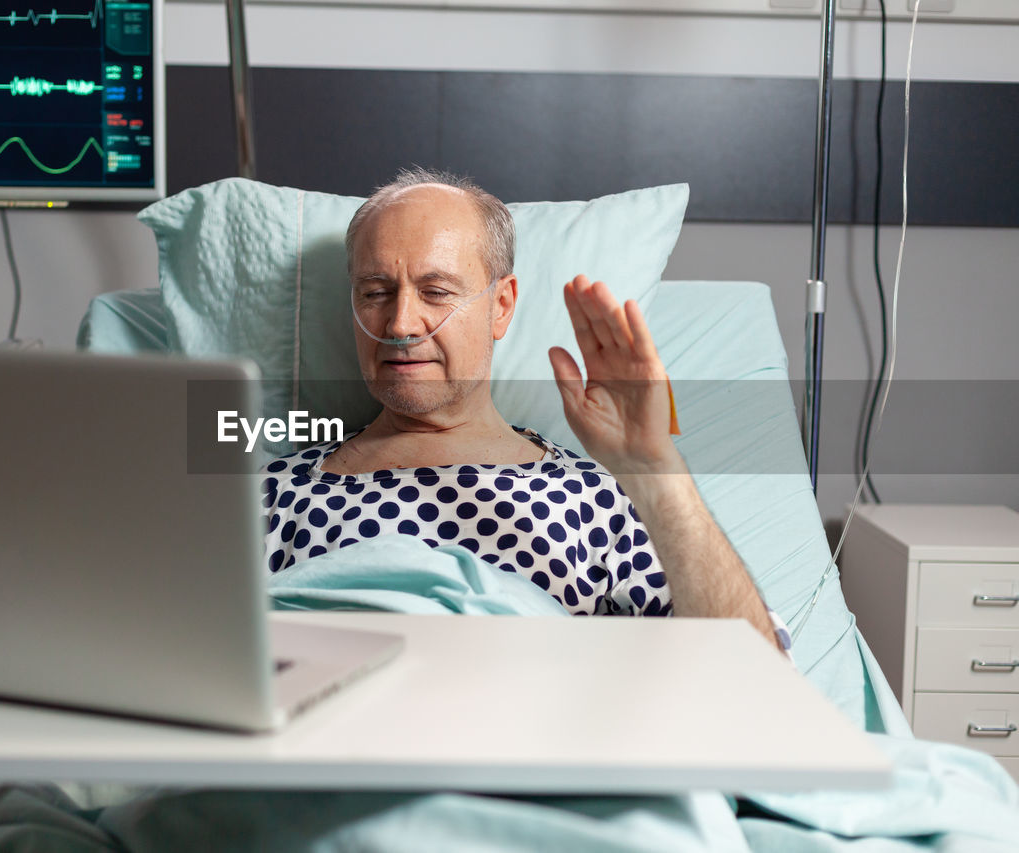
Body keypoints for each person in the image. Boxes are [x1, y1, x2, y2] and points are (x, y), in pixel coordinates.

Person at [261, 168, 792, 655]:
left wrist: (652, 466)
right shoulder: (273, 493)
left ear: (502, 306)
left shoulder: (594, 497)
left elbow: (758, 673)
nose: (400, 324)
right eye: (375, 292)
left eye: (436, 291)